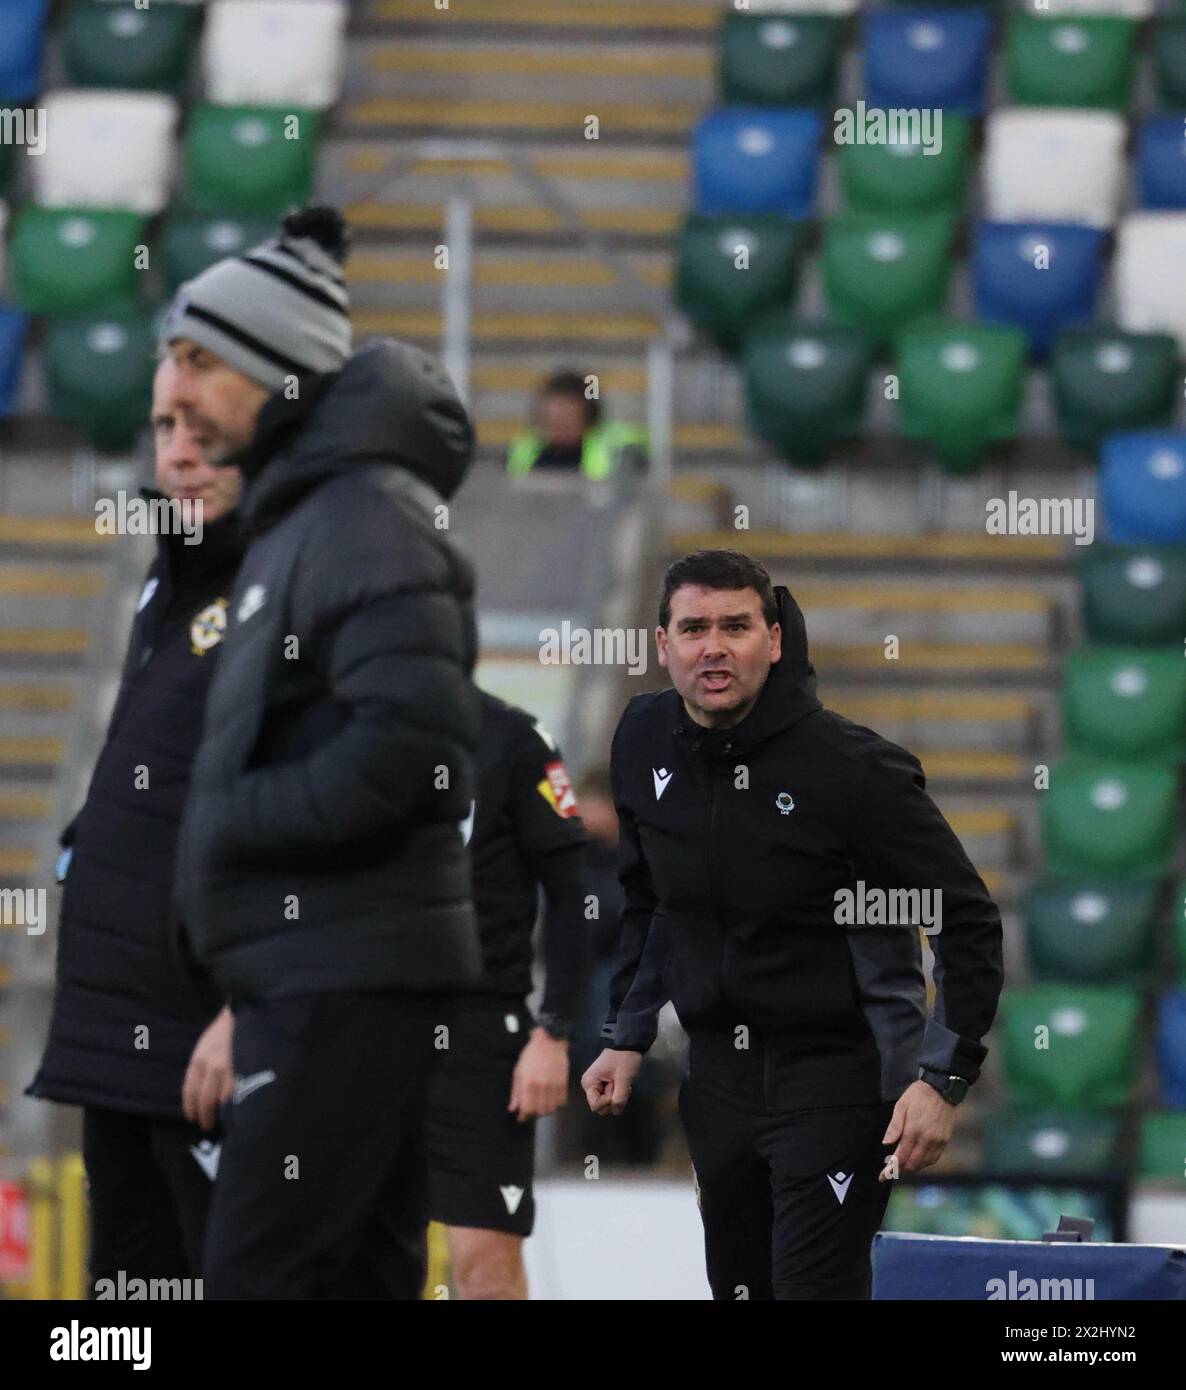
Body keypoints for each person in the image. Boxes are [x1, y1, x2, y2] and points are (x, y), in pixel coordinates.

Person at [164, 205, 483, 1299]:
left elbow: (415, 749)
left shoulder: (364, 517)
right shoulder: (311, 514)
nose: (179, 394)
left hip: (340, 984)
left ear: (280, 373)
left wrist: (229, 815)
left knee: (264, 1280)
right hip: (327, 976)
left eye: (203, 362)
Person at [582, 549, 1004, 1301]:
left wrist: (943, 1076)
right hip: (717, 1077)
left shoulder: (851, 769)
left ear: (773, 640)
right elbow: (651, 901)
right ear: (663, 645)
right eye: (694, 627)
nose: (713, 646)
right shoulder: (642, 738)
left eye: (736, 626)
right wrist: (626, 1031)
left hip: (839, 1076)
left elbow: (964, 917)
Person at [27, 356, 243, 1293]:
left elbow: (340, 832)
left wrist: (254, 1008)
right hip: (117, 1032)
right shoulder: (168, 582)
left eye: (207, 434)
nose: (181, 456)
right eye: (164, 430)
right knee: (119, 1314)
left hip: (210, 1041)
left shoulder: (299, 596)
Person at [428, 690, 589, 1300]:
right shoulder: (342, 732)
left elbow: (573, 897)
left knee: (484, 1264)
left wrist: (554, 1030)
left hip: (478, 1038)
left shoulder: (515, 740)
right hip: (364, 1030)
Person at [506, 370, 647, 480]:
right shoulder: (525, 449)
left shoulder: (618, 448)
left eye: (567, 419)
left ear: (589, 417)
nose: (558, 427)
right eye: (551, 419)